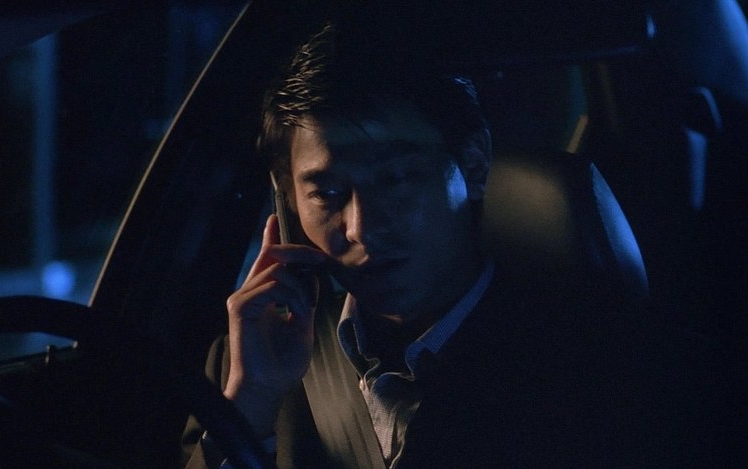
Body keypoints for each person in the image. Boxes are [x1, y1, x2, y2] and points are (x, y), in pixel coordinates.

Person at [184, 21, 735, 469]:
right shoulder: (251, 363)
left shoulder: (612, 369)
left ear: (472, 164)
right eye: (326, 194)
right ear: (287, 202)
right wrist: (248, 408)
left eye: (397, 179)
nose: (361, 228)